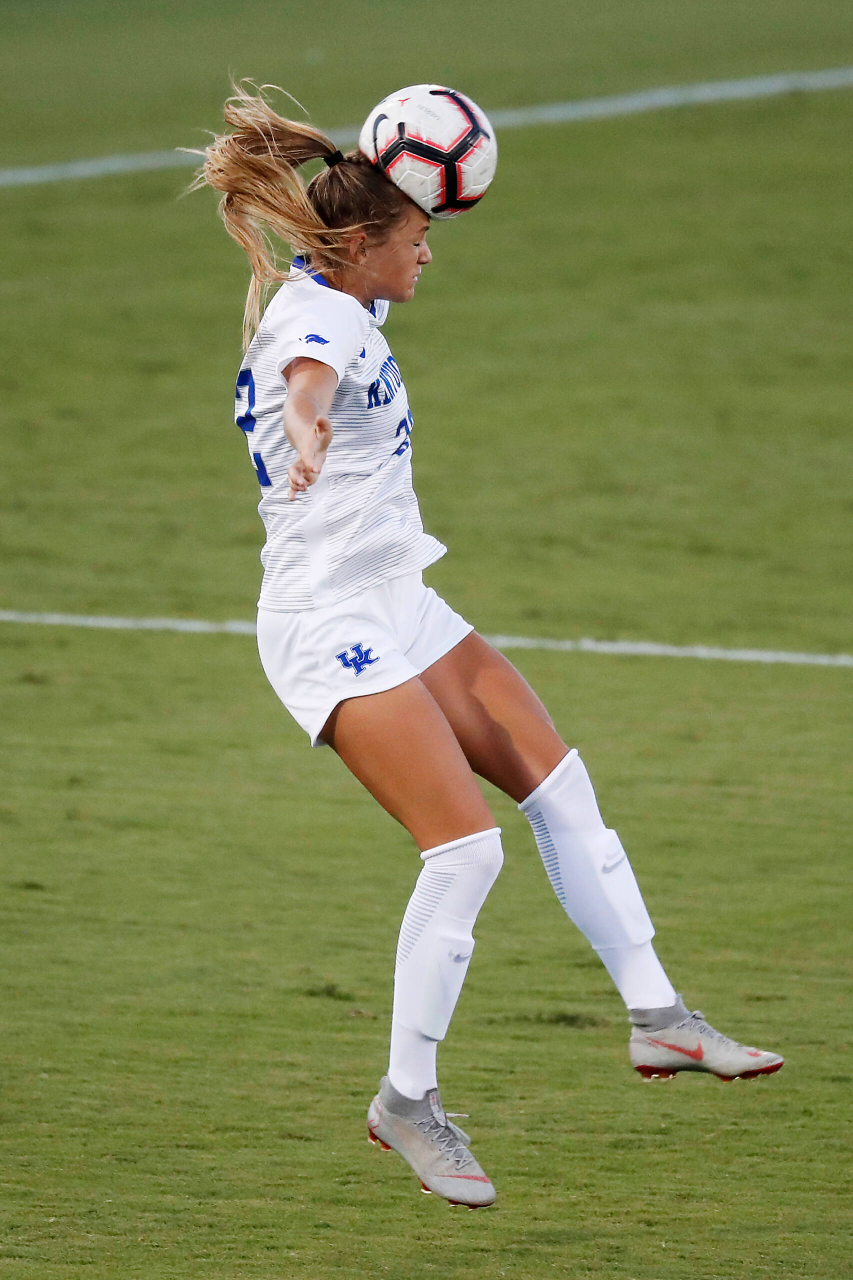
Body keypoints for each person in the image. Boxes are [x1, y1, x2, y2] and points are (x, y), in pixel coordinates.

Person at [196, 84, 783, 1210]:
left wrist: (388, 188)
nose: (431, 253)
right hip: (330, 622)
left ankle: (660, 1018)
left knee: (558, 784)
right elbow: (309, 377)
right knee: (464, 852)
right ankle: (405, 1101)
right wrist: (308, 431)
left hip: (398, 594)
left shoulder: (343, 289)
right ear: (367, 243)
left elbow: (342, 296)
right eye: (419, 237)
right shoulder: (319, 321)